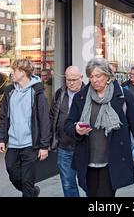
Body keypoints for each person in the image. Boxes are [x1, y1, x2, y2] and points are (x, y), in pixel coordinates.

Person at [64, 58, 134, 197]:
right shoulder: (81, 97)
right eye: (91, 76)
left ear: (107, 76)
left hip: (112, 161)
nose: (94, 80)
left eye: (98, 76)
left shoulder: (124, 96)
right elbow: (68, 124)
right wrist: (76, 129)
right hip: (88, 161)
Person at [0, 59, 51, 197]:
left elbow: (44, 120)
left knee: (27, 180)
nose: (12, 73)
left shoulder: (37, 92)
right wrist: (2, 139)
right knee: (13, 173)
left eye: (14, 70)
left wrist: (44, 145)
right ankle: (33, 192)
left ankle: (29, 191)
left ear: (22, 72)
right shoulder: (9, 92)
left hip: (30, 144)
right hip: (14, 143)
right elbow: (3, 117)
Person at [50, 66, 84, 197]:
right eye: (68, 79)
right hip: (64, 146)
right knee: (67, 183)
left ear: (81, 77)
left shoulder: (88, 94)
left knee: (87, 183)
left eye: (74, 79)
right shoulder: (60, 93)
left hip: (84, 146)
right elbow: (52, 116)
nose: (71, 82)